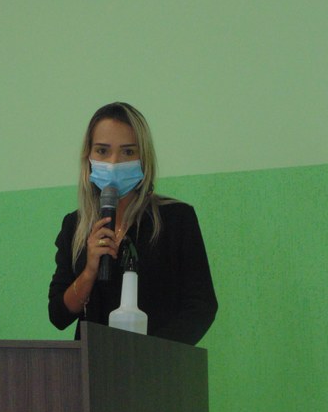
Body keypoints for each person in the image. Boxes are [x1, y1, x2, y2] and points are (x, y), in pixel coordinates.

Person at [48, 102, 217, 346]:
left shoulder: (176, 219)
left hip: (157, 363)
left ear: (143, 158)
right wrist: (90, 270)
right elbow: (58, 315)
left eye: (127, 152)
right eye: (102, 151)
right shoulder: (74, 225)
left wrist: (148, 354)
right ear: (88, 157)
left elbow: (201, 307)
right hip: (93, 362)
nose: (114, 162)